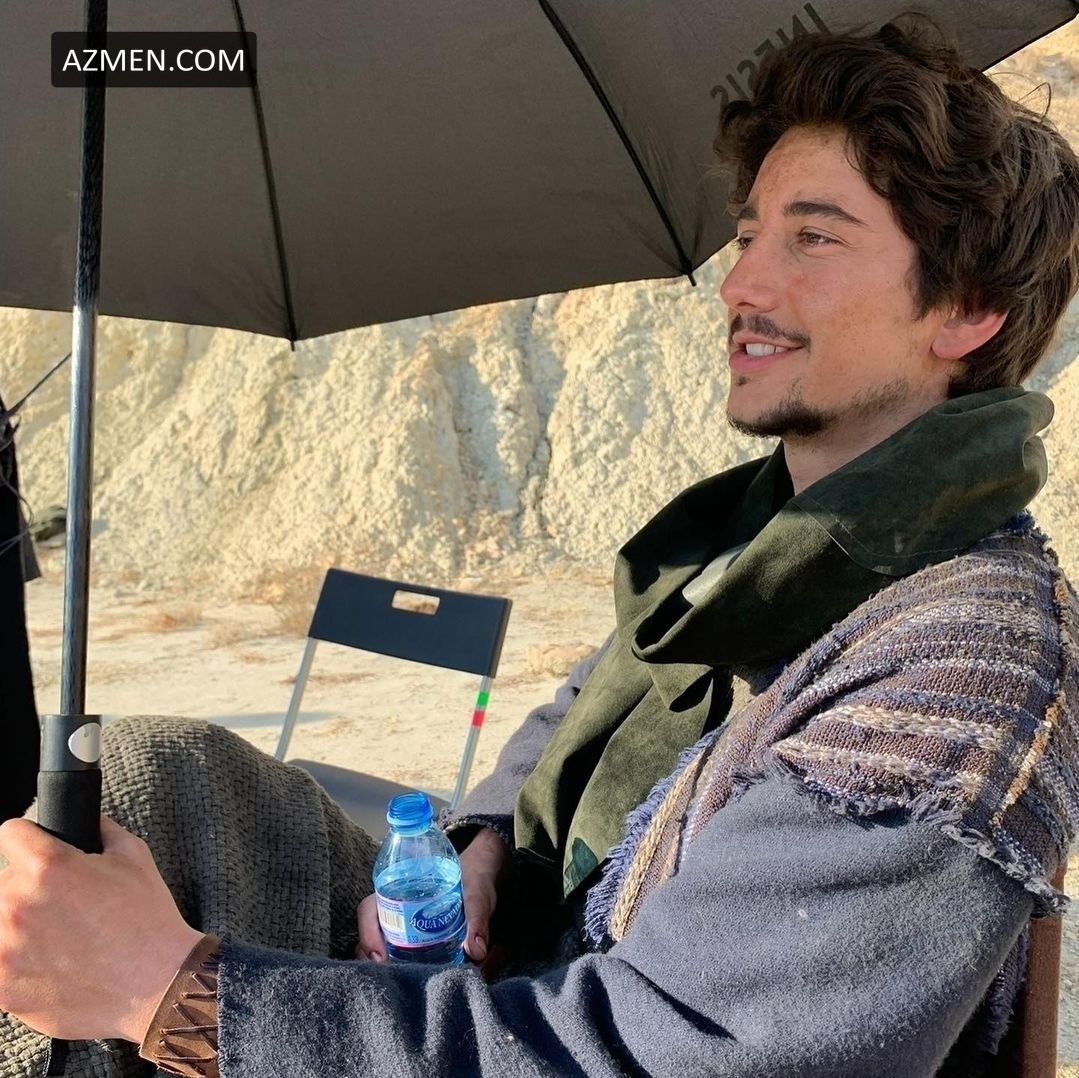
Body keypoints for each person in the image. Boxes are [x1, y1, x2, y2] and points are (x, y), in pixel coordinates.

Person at [2, 19, 1079, 1078]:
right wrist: (485, 845)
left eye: (814, 237)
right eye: (750, 233)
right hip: (514, 965)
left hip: (560, 1028)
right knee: (148, 780)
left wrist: (175, 995)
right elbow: (577, 708)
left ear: (965, 310)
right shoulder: (749, 552)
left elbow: (665, 1055)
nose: (742, 284)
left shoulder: (963, 670)